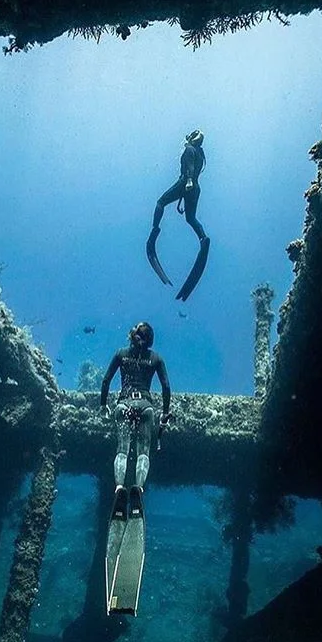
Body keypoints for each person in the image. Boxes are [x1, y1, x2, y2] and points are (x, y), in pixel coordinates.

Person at [100, 322, 171, 492]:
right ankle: (138, 489)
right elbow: (166, 387)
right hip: (145, 407)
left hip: (124, 404)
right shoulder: (156, 358)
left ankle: (119, 487)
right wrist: (165, 413)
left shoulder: (121, 354)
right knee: (143, 451)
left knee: (122, 449)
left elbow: (105, 381)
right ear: (150, 340)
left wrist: (103, 405)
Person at [146, 129, 211, 302]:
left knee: (160, 203)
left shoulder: (190, 149)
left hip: (186, 183)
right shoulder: (200, 153)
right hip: (196, 188)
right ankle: (203, 239)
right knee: (190, 218)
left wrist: (188, 181)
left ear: (191, 138)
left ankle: (154, 233)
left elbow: (189, 166)